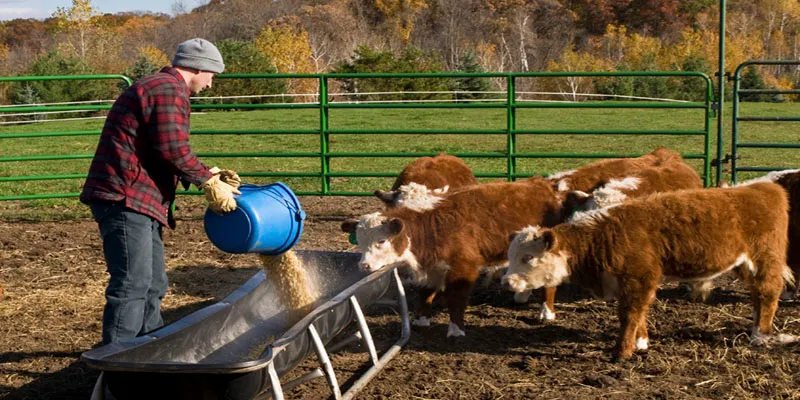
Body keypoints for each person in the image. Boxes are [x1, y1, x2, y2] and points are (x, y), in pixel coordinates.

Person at [80, 38, 241, 345]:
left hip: (137, 197)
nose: (210, 84)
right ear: (198, 67)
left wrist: (209, 172)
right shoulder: (167, 89)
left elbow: (162, 147)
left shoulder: (162, 88)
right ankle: (116, 366)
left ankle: (149, 351)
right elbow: (173, 149)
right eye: (212, 75)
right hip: (125, 196)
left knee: (153, 283)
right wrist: (207, 182)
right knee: (132, 284)